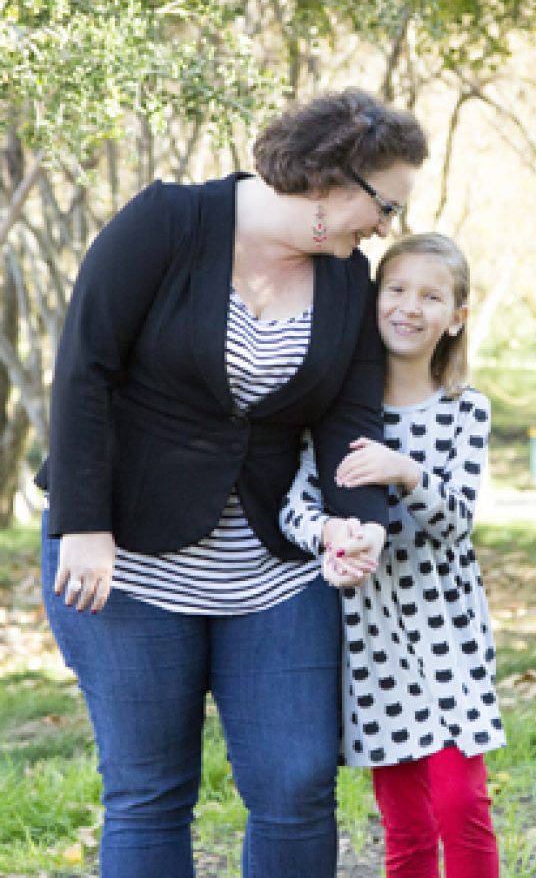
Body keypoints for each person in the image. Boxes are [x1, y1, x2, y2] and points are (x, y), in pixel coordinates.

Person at [36, 88, 428, 878]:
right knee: (150, 793)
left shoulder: (348, 280)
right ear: (329, 180)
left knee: (298, 785)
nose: (386, 227)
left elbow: (350, 415)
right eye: (385, 206)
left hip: (275, 573)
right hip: (127, 562)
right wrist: (83, 522)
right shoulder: (167, 222)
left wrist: (360, 521)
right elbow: (85, 368)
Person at [281, 232, 505, 878]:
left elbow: (456, 522)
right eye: (397, 289)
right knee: (405, 823)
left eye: (431, 296)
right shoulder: (337, 414)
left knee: (462, 804)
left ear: (456, 317)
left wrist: (405, 471)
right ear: (373, 300)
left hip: (450, 633)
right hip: (371, 639)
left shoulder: (466, 411)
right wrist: (330, 535)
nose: (410, 307)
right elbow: (294, 507)